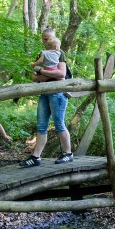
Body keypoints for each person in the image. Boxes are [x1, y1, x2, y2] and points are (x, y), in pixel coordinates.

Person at [19, 28, 74, 167]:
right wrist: (45, 75)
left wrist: (41, 72)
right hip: (44, 93)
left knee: (59, 124)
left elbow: (61, 74)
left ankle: (68, 154)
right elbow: (33, 77)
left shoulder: (59, 53)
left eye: (49, 38)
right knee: (41, 125)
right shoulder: (42, 54)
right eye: (44, 38)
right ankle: (36, 157)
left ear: (54, 38)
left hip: (58, 93)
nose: (46, 41)